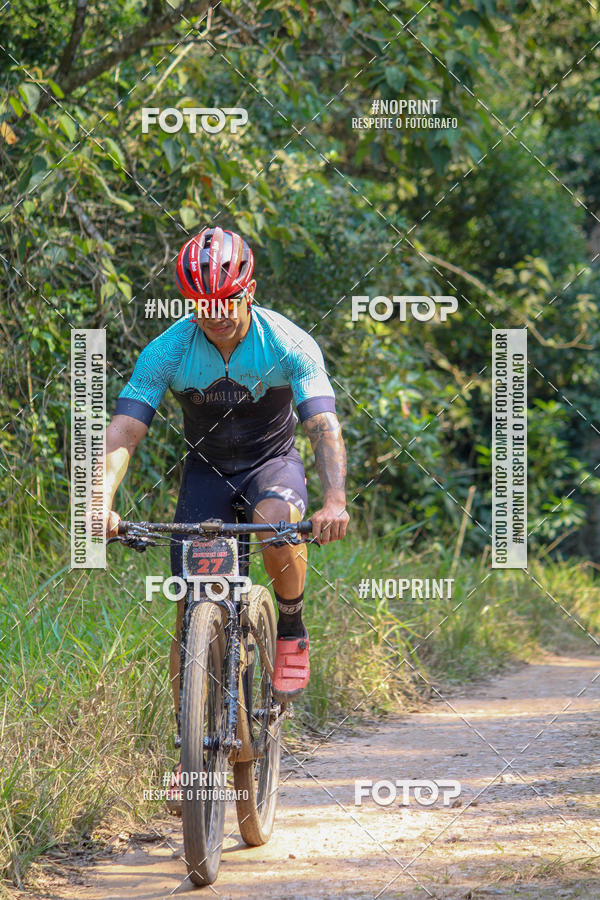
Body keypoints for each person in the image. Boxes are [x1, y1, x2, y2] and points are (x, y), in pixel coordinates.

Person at [102, 226, 349, 810]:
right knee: (190, 605)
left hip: (271, 465)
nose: (213, 315)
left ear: (250, 291)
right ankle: (192, 740)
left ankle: (289, 621)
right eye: (201, 305)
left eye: (225, 302)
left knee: (272, 528)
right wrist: (97, 500)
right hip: (207, 473)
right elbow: (126, 430)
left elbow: (322, 425)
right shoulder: (167, 350)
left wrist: (334, 500)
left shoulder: (288, 342)